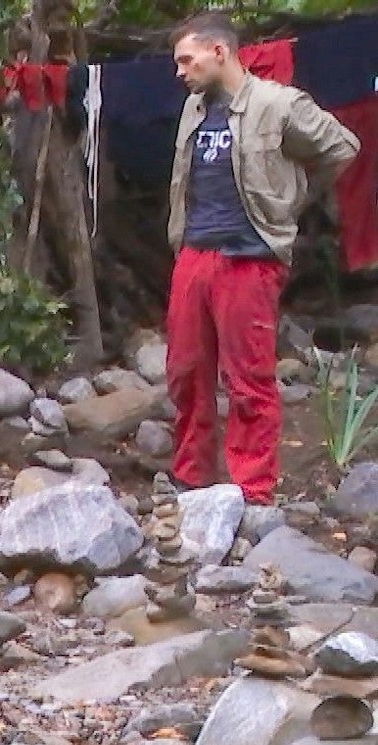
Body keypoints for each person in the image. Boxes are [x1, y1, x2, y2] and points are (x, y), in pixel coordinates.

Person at [164, 13, 359, 504]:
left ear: (220, 52)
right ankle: (191, 477)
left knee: (248, 377)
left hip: (249, 258)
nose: (180, 71)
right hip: (194, 252)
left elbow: (342, 147)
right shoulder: (193, 108)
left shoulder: (279, 104)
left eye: (187, 59)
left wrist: (291, 199)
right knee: (186, 371)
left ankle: (252, 490)